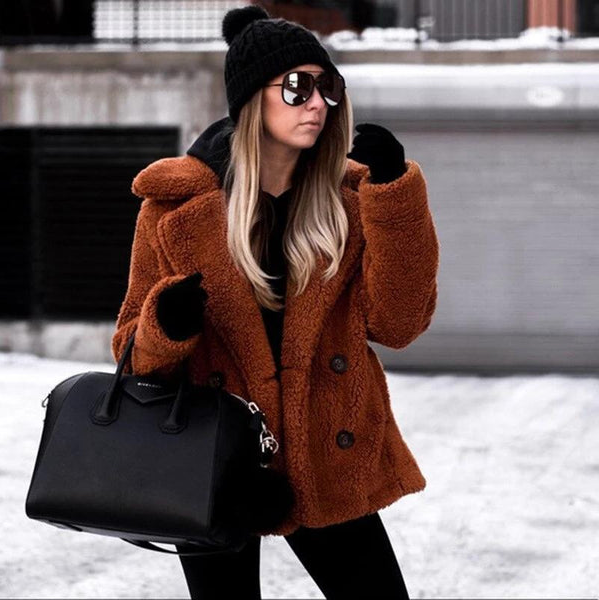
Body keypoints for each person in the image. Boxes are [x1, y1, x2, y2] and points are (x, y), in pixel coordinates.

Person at [111, 5, 440, 599]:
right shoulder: (174, 210)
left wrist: (394, 198)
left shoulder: (348, 203)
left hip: (327, 455)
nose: (317, 103)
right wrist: (168, 324)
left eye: (327, 86)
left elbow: (400, 323)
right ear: (250, 101)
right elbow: (132, 356)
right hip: (214, 463)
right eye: (296, 87)